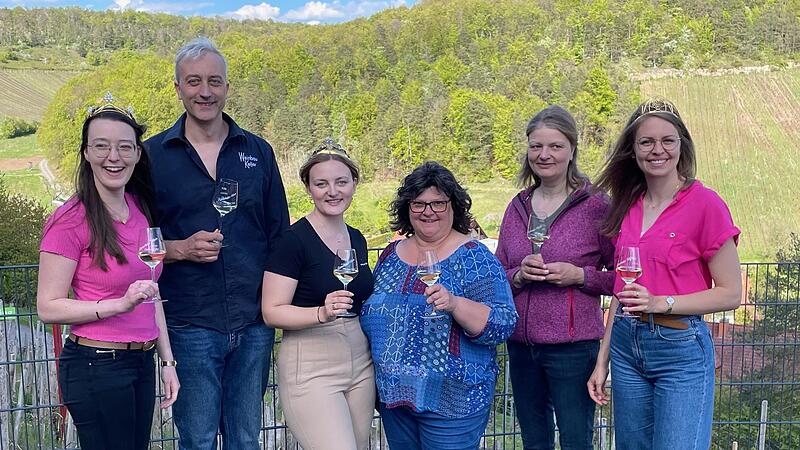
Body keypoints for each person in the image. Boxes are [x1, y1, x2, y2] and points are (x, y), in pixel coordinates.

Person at [145, 37, 289, 450]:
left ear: (227, 86)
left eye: (214, 81)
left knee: (246, 439)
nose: (204, 91)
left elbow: (278, 232)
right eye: (193, 81)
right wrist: (180, 249)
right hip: (189, 322)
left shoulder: (258, 151)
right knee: (198, 439)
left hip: (253, 321)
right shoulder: (152, 155)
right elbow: (139, 242)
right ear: (178, 88)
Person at [587, 98, 742, 449]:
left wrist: (661, 301)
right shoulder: (629, 205)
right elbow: (620, 291)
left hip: (680, 348)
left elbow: (732, 293)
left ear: (681, 146)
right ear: (633, 151)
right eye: (646, 142)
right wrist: (603, 361)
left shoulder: (705, 204)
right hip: (627, 346)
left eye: (667, 140)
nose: (658, 150)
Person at [36, 94, 179, 450]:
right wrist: (117, 305)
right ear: (86, 153)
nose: (113, 157)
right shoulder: (69, 221)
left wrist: (167, 361)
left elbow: (152, 290)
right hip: (95, 365)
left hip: (140, 361)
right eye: (101, 146)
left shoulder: (139, 208)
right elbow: (48, 307)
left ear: (137, 153)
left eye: (124, 147)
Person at [360, 161, 518, 450]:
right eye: (419, 204)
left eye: (438, 203)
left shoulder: (474, 257)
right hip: (395, 397)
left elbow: (503, 322)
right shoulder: (390, 255)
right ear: (407, 208)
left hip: (452, 400)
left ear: (453, 206)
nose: (428, 211)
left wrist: (455, 304)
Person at [495, 105, 614, 450]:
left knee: (576, 441)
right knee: (534, 442)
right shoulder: (516, 206)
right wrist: (519, 276)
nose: (544, 155)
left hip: (574, 349)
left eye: (555, 146)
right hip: (521, 346)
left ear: (572, 150)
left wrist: (580, 276)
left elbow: (620, 277)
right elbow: (497, 274)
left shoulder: (596, 206)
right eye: (536, 146)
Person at [262, 139, 375, 450]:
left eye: (341, 182)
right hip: (311, 363)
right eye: (321, 183)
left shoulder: (356, 238)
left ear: (354, 183)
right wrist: (320, 313)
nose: (332, 191)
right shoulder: (292, 241)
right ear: (309, 188)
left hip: (360, 360)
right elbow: (271, 311)